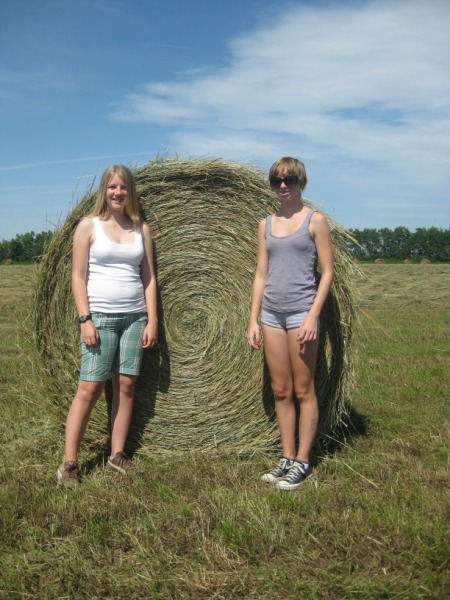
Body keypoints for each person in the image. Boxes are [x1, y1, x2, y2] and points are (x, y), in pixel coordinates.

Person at [56, 164, 158, 488]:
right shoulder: (88, 226)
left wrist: (152, 319)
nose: (118, 192)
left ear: (131, 191)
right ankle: (69, 463)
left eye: (123, 187)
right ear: (105, 190)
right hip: (99, 317)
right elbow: (78, 276)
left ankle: (117, 455)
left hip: (135, 317)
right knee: (90, 387)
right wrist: (84, 318)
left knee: (126, 386)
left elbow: (149, 277)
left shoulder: (141, 229)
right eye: (112, 187)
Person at [247, 157, 333, 491]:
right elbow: (261, 273)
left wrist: (313, 315)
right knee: (281, 390)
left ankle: (302, 460)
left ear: (302, 182)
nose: (283, 186)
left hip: (300, 314)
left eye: (290, 180)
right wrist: (252, 319)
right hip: (271, 315)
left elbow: (327, 272)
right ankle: (286, 458)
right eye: (277, 180)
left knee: (303, 389)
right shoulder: (265, 224)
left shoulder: (315, 220)